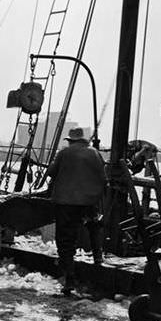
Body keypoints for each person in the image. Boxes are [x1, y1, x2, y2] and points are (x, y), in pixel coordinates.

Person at [45, 127, 107, 296]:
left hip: (66, 202)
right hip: (89, 201)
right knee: (94, 227)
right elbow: (103, 177)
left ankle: (69, 279)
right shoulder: (94, 153)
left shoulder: (64, 153)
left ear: (70, 140)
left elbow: (51, 172)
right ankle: (98, 259)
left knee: (65, 240)